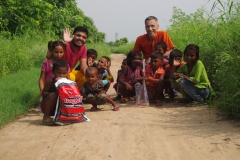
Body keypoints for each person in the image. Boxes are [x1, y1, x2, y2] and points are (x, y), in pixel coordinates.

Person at [41, 59, 69, 124]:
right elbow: (43, 94)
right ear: (53, 72)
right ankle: (46, 116)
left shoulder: (67, 82)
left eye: (64, 73)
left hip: (60, 109)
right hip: (49, 107)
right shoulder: (51, 81)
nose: (61, 75)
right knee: (53, 95)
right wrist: (56, 91)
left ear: (67, 73)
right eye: (58, 72)